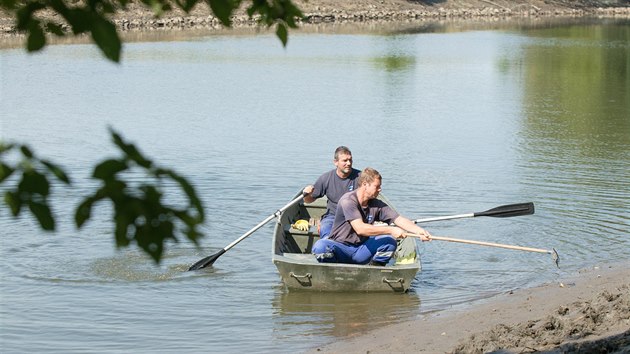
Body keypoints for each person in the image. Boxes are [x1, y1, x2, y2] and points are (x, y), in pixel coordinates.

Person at [311, 167, 432, 266]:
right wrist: (391, 230)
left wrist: (420, 231)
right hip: (341, 248)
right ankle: (333, 270)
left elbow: (399, 219)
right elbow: (360, 229)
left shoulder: (376, 204)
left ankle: (374, 271)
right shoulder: (348, 201)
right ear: (365, 184)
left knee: (390, 242)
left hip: (360, 250)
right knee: (320, 246)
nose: (380, 189)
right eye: (377, 186)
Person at [303, 146, 360, 239]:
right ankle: (327, 247)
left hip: (354, 216)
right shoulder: (326, 178)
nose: (348, 163)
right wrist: (307, 194)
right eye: (345, 161)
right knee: (325, 228)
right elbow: (308, 200)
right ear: (336, 162)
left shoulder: (360, 178)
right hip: (332, 216)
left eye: (350, 160)